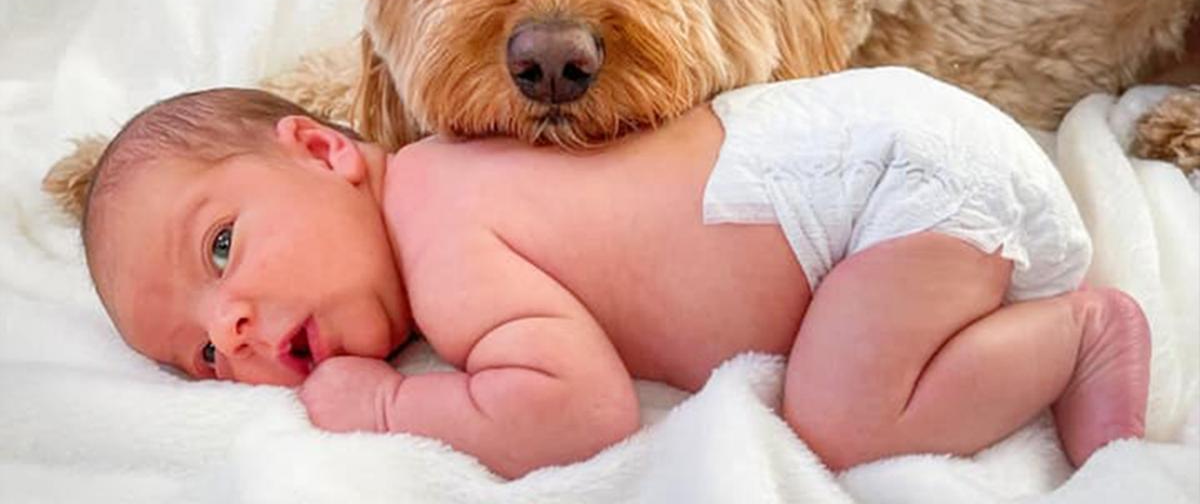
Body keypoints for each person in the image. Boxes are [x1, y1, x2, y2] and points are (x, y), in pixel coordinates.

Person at [80, 67, 1150, 479]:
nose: (237, 331)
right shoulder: (456, 172)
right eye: (205, 355)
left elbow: (580, 412)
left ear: (323, 152)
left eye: (222, 248)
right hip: (879, 146)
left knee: (841, 418)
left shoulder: (441, 238)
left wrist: (390, 400)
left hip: (885, 188)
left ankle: (1083, 334)